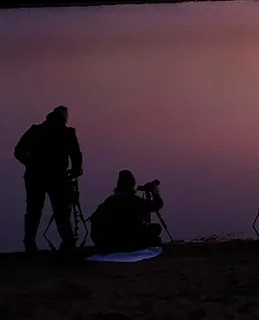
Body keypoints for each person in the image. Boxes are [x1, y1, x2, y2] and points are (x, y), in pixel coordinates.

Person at [14, 105, 82, 252]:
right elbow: (76, 155)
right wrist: (75, 171)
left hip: (35, 178)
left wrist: (30, 164)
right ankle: (68, 242)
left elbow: (18, 151)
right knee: (61, 211)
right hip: (56, 178)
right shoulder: (67, 133)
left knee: (34, 211)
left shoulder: (35, 131)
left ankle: (29, 242)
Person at [90, 170, 164, 253]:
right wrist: (155, 192)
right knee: (156, 228)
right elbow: (158, 205)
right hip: (130, 241)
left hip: (110, 243)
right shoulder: (135, 202)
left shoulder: (109, 201)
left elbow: (95, 222)